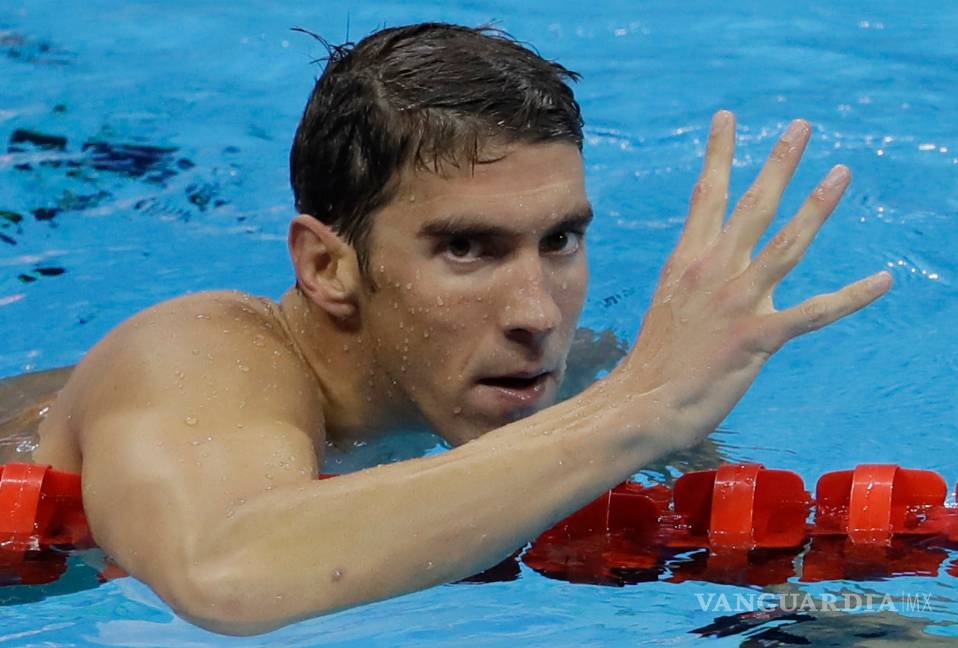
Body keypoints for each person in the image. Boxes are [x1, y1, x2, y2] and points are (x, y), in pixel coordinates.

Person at [2, 22, 890, 635]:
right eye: (467, 248)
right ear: (326, 267)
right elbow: (223, 575)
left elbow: (751, 574)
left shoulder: (584, 381)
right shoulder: (193, 357)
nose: (538, 314)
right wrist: (638, 412)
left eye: (562, 240)